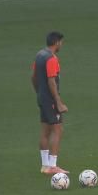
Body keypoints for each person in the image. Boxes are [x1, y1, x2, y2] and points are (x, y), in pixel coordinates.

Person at [31, 31, 68, 175]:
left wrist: (39, 93)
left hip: (42, 98)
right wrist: (58, 102)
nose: (61, 45)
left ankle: (44, 166)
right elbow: (52, 81)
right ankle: (52, 166)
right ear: (57, 42)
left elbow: (33, 77)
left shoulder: (39, 55)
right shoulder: (51, 59)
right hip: (51, 100)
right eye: (61, 42)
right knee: (57, 130)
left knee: (45, 131)